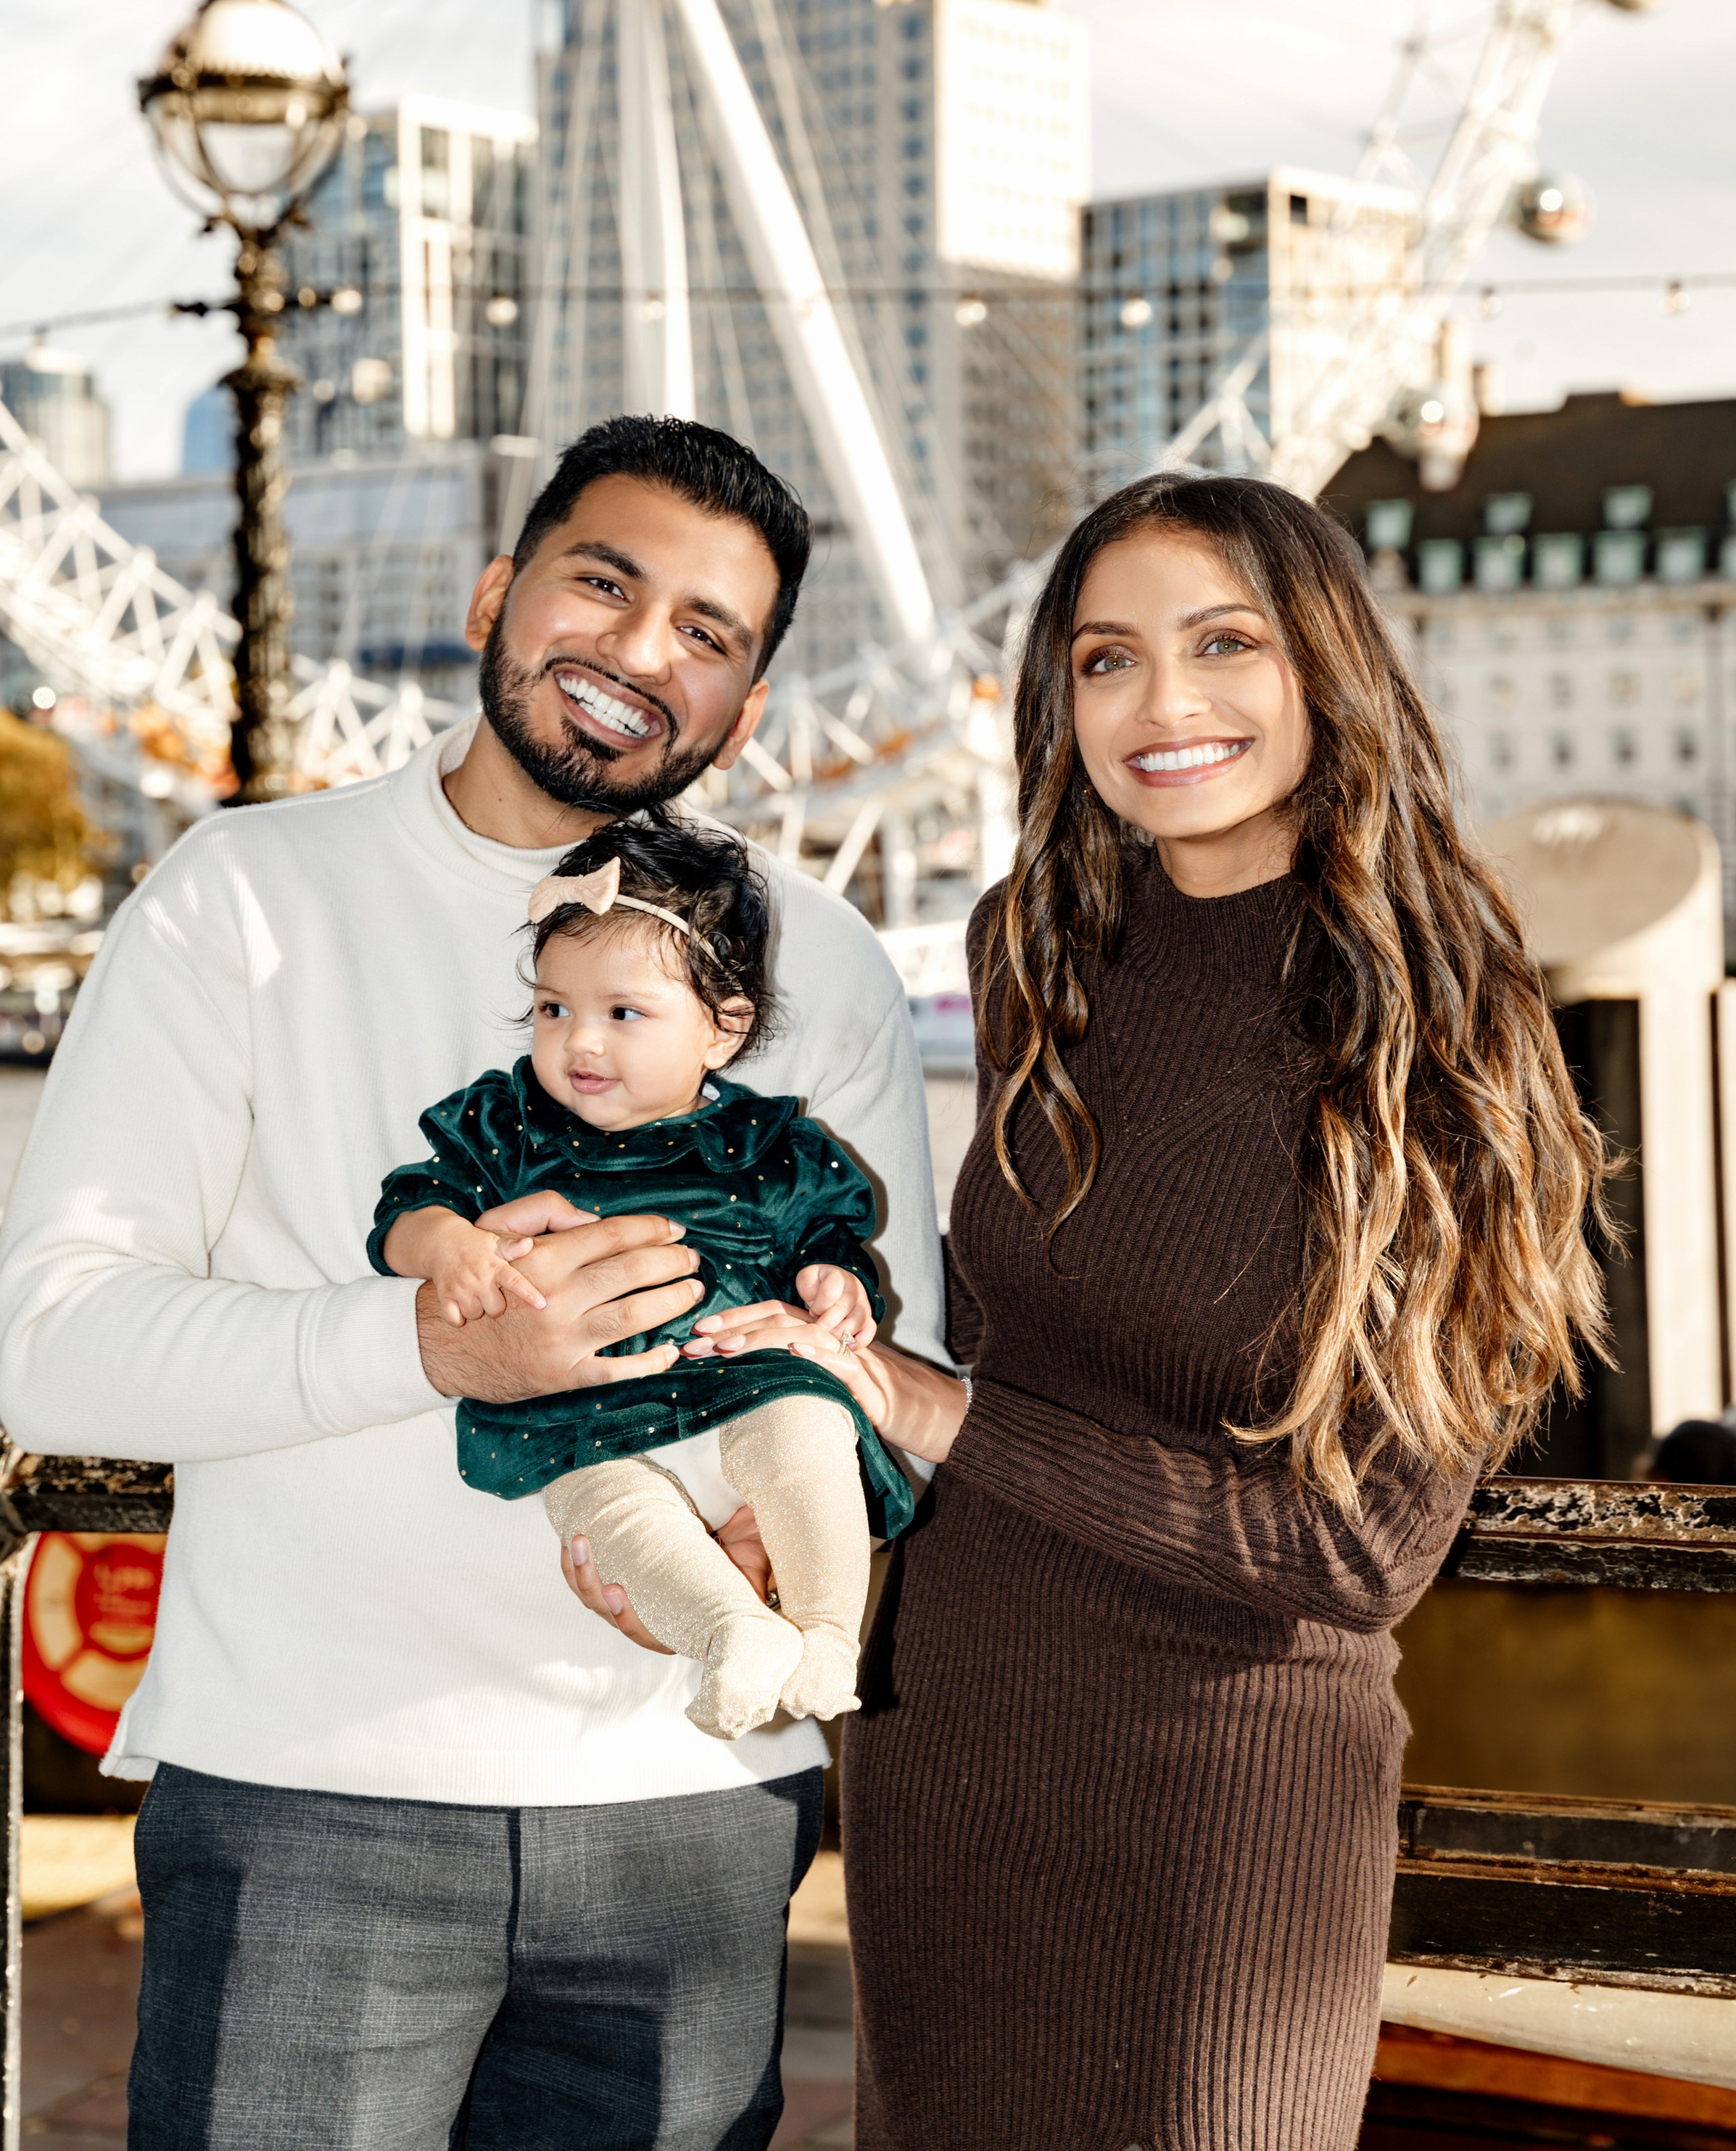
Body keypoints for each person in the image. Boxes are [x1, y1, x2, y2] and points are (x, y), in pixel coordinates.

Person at [0, 416, 946, 2151]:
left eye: (710, 635)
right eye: (604, 580)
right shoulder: (242, 900)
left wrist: (772, 1522)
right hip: (308, 1792)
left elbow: (891, 1360)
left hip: (693, 1798)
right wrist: (435, 1343)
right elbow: (57, 1348)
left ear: (742, 706)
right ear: (495, 593)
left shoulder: (829, 962)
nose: (643, 651)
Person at [682, 471, 1611, 2151]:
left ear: (1323, 668)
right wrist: (830, 1443)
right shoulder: (1038, 946)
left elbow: (1357, 1551)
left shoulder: (1442, 1018)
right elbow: (1019, 1342)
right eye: (1105, 658)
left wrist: (934, 1406)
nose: (1162, 702)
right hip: (946, 1747)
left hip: (1223, 1812)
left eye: (1221, 643)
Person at [371, 813, 914, 1743]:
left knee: (808, 1425)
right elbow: (407, 1207)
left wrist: (834, 1277)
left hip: (743, 1379)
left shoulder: (766, 1142)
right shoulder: (509, 1124)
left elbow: (827, 1229)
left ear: (723, 1028)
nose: (579, 1042)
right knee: (603, 1507)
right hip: (583, 1415)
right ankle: (730, 1629)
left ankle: (824, 1632)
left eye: (622, 1013)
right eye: (552, 1007)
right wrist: (443, 1247)